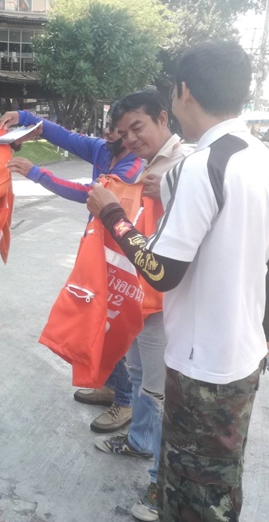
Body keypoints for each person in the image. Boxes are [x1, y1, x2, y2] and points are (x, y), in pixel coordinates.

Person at [86, 40, 269, 522]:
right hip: (244, 352)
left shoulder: (199, 166)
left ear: (183, 92)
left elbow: (162, 271)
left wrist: (111, 214)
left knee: (194, 493)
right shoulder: (257, 156)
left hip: (203, 361)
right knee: (220, 477)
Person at [0, 106, 143, 434]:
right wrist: (20, 117)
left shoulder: (134, 165)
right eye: (110, 126)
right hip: (98, 250)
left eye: (119, 130)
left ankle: (125, 400)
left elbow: (88, 195)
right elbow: (59, 133)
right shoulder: (102, 150)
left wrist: (37, 173)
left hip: (122, 257)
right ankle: (108, 386)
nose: (111, 133)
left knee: (116, 326)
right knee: (98, 319)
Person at [94, 90, 192, 522]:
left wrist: (168, 190)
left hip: (163, 301)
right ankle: (137, 442)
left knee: (156, 390)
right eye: (125, 131)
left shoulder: (185, 165)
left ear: (163, 119)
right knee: (136, 375)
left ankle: (159, 481)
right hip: (136, 291)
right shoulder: (144, 166)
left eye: (139, 127)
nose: (131, 138)